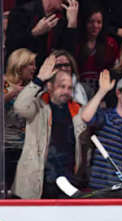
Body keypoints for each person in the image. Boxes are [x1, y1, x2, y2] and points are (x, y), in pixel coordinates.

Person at [12, 54, 86, 199]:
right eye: (61, 86)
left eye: (69, 88)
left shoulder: (77, 110)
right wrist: (38, 80)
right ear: (50, 86)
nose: (66, 91)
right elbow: (19, 107)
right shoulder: (39, 105)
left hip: (67, 180)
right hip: (38, 180)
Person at [80, 71, 122, 195]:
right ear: (118, 93)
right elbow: (86, 117)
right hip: (100, 189)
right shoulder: (106, 116)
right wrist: (102, 91)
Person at [4, 48, 37, 193]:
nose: (34, 68)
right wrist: (12, 93)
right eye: (31, 64)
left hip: (26, 148)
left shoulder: (32, 88)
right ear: (19, 64)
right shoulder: (4, 84)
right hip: (6, 147)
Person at [6, 0, 80, 64]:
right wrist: (35, 32)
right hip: (23, 73)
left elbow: (68, 55)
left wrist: (72, 23)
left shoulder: (63, 18)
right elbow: (12, 47)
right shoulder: (21, 13)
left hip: (51, 75)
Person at [75, 5, 119, 96]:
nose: (95, 26)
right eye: (91, 22)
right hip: (78, 91)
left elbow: (115, 70)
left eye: (99, 22)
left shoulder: (110, 44)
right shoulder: (76, 42)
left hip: (102, 92)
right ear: (84, 23)